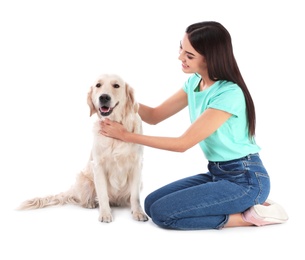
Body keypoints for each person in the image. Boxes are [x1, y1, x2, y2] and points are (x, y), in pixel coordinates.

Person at [100, 21, 288, 230]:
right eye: (181, 48)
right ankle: (241, 206)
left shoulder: (229, 94)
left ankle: (250, 216)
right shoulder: (194, 83)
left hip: (245, 179)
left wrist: (126, 135)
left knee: (163, 214)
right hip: (217, 173)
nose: (181, 57)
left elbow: (183, 144)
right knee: (151, 203)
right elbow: (154, 115)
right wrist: (121, 97)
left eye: (189, 55)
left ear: (210, 59)